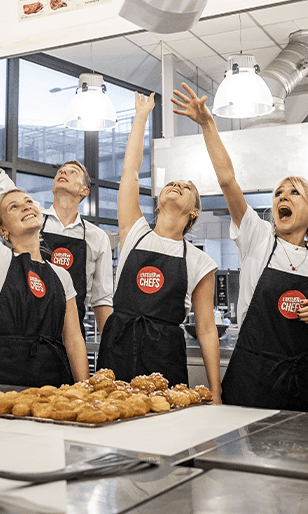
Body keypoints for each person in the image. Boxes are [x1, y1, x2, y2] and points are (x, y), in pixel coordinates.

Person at [172, 83, 308, 411]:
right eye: (278, 193)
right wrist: (207, 125)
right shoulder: (257, 238)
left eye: (294, 193)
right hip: (251, 378)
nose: (282, 196)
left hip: (302, 382)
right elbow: (228, 181)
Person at [96, 93, 221, 396]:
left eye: (187, 187)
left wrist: (215, 392)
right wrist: (140, 117)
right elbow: (130, 172)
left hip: (165, 353)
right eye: (172, 183)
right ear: (159, 199)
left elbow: (206, 329)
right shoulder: (135, 231)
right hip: (119, 345)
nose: (178, 185)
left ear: (194, 212)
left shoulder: (199, 261)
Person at [0, 73, 113, 339]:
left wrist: (111, 352)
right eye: (61, 170)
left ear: (84, 190)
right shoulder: (31, 214)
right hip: (26, 328)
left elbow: (102, 300)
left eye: (72, 172)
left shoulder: (97, 238)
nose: (63, 172)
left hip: (70, 335)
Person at [0, 107, 89, 387]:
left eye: (28, 201)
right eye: (13, 207)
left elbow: (74, 340)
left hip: (54, 380)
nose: (25, 205)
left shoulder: (61, 276)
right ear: (3, 230)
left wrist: (83, 389)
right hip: (2, 379)